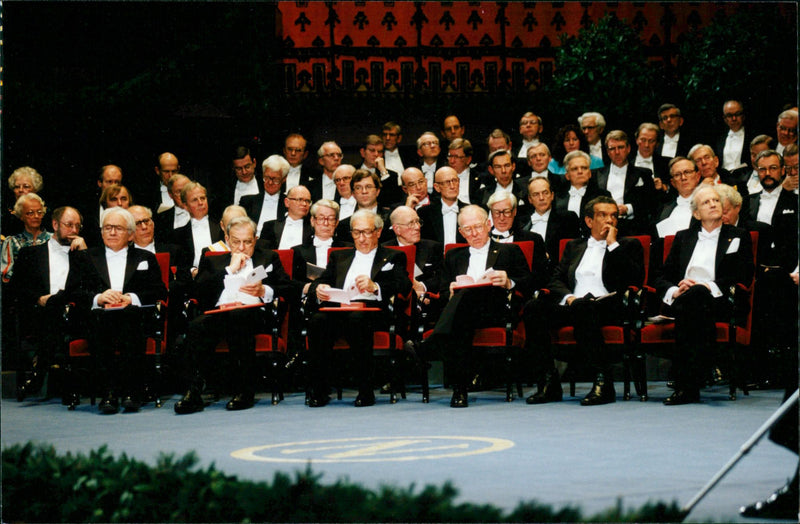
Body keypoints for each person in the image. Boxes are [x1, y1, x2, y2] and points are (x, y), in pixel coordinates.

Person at [522, 196, 644, 406]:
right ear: (589, 221)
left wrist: (612, 245)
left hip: (609, 304)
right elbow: (556, 279)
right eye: (603, 215)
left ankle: (603, 383)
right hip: (575, 304)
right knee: (534, 308)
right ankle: (549, 382)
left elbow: (632, 279)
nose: (610, 220)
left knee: (585, 308)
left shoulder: (628, 244)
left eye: (614, 215)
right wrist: (569, 298)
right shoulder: (574, 246)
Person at [173, 216, 295, 414]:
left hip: (254, 313)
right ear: (227, 240)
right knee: (197, 325)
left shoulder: (268, 257)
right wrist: (229, 269)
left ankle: (244, 391)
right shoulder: (214, 261)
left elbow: (287, 288)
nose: (241, 247)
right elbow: (199, 292)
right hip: (220, 313)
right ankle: (193, 392)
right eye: (236, 242)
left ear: (255, 240)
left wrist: (264, 291)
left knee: (238, 318)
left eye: (247, 242)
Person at [423, 205, 534, 408]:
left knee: (463, 306)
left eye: (478, 227)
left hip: (496, 310)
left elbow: (529, 283)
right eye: (467, 229)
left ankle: (434, 343)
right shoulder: (454, 256)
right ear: (461, 232)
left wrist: (509, 281)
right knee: (462, 312)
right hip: (464, 313)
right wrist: (450, 290)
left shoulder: (509, 250)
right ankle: (460, 390)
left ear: (488, 225)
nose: (473, 233)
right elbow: (443, 291)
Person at [653, 185, 753, 405]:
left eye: (716, 200)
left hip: (720, 299)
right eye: (707, 202)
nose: (713, 204)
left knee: (697, 295)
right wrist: (675, 290)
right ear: (696, 213)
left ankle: (685, 383)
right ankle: (704, 369)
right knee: (692, 300)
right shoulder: (682, 238)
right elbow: (662, 276)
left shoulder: (738, 236)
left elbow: (743, 275)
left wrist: (708, 286)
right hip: (685, 298)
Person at [306, 210, 411, 407]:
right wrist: (318, 288)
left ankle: (365, 390)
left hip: (373, 310)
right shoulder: (339, 256)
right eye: (356, 233)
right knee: (317, 321)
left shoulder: (393, 256)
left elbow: (403, 284)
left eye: (367, 232)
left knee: (357, 319)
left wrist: (375, 287)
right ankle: (319, 390)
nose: (361, 238)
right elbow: (322, 280)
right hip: (339, 308)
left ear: (378, 232)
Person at [67, 207, 167, 414]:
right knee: (102, 320)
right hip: (98, 318)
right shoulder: (85, 258)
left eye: (118, 228)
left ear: (130, 234)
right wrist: (98, 298)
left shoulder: (145, 257)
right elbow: (73, 292)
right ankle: (109, 393)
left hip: (134, 318)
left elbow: (159, 291)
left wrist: (132, 298)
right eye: (108, 228)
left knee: (129, 317)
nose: (112, 232)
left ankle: (131, 392)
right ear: (101, 231)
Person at [9, 206, 87, 402]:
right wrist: (38, 298)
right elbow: (17, 288)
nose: (74, 230)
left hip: (77, 312)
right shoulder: (31, 254)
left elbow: (90, 285)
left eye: (78, 226)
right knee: (54, 309)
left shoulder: (83, 253)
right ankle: (68, 387)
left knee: (62, 303)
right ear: (54, 225)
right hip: (41, 313)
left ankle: (38, 372)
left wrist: (84, 255)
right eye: (69, 225)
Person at [594, 130, 656, 235]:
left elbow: (650, 202)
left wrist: (628, 208)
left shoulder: (643, 173)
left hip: (632, 227)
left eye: (621, 147)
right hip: (603, 227)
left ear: (628, 149)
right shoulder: (597, 174)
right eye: (612, 149)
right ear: (608, 152)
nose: (617, 152)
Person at [517, 177, 581, 274]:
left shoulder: (568, 218)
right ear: (530, 199)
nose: (541, 198)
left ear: (552, 195)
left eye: (545, 193)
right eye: (536, 194)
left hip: (557, 274)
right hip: (528, 274)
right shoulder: (520, 222)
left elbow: (574, 252)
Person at [485, 191, 548, 290]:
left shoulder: (533, 239)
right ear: (491, 213)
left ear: (514, 212)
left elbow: (540, 278)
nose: (502, 218)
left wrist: (511, 283)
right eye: (497, 212)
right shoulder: (482, 239)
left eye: (506, 212)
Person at [384, 205, 443, 298]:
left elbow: (442, 277)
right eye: (411, 223)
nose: (417, 227)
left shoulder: (433, 247)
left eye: (418, 222)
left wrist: (422, 286)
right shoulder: (385, 250)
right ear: (397, 229)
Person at [2, 193, 52, 283]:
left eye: (39, 212)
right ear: (21, 216)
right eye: (30, 213)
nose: (36, 216)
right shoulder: (12, 241)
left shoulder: (53, 239)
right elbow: (6, 275)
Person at [173, 182, 224, 271]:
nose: (200, 203)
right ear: (185, 206)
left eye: (203, 198)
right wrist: (192, 271)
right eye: (194, 200)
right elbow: (180, 264)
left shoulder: (221, 226)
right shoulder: (179, 234)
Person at [335, 169, 392, 243]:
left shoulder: (391, 219)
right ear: (353, 194)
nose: (364, 191)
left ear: (377, 191)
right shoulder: (344, 226)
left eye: (368, 187)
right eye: (358, 188)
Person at [553, 151, 611, 224]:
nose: (580, 171)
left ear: (590, 173)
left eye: (584, 168)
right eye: (575, 169)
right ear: (567, 176)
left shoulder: (602, 195)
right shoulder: (557, 196)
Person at [240, 155, 291, 235]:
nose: (270, 183)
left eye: (275, 179)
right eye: (267, 177)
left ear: (284, 179)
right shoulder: (247, 201)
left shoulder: (289, 204)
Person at [653, 157, 702, 238]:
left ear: (698, 176)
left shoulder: (708, 203)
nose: (683, 178)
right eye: (677, 175)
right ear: (673, 183)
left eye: (687, 172)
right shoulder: (663, 210)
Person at [418, 167, 467, 245]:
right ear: (437, 187)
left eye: (454, 181)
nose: (452, 186)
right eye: (447, 182)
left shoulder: (469, 211)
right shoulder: (424, 213)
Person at [258, 185, 313, 249]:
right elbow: (263, 253)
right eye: (300, 199)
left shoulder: (313, 228)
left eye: (307, 201)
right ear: (287, 202)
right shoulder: (270, 226)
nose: (304, 204)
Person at [358, 134, 404, 208]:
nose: (376, 154)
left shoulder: (391, 175)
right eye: (372, 150)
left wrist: (383, 171)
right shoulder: (351, 171)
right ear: (363, 152)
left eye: (379, 152)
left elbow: (392, 201)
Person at [4, 166, 44, 237]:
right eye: (17, 187)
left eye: (26, 186)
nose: (20, 190)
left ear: (35, 189)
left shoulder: (43, 214)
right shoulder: (6, 214)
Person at [630, 122, 670, 193]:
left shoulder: (667, 164)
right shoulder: (626, 161)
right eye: (643, 140)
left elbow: (674, 190)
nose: (646, 145)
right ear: (637, 140)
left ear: (657, 144)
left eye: (651, 141)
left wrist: (664, 187)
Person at [153, 174, 191, 244]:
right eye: (179, 192)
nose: (184, 195)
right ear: (170, 194)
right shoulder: (160, 219)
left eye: (187, 190)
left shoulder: (207, 213)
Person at [715, 100, 752, 171]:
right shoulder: (719, 138)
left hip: (745, 178)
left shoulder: (751, 136)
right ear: (725, 119)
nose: (734, 118)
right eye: (729, 115)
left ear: (743, 116)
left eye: (737, 114)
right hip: (723, 178)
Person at [447, 138, 482, 204]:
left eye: (456, 157)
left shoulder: (479, 178)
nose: (452, 161)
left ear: (468, 159)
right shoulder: (442, 176)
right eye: (450, 156)